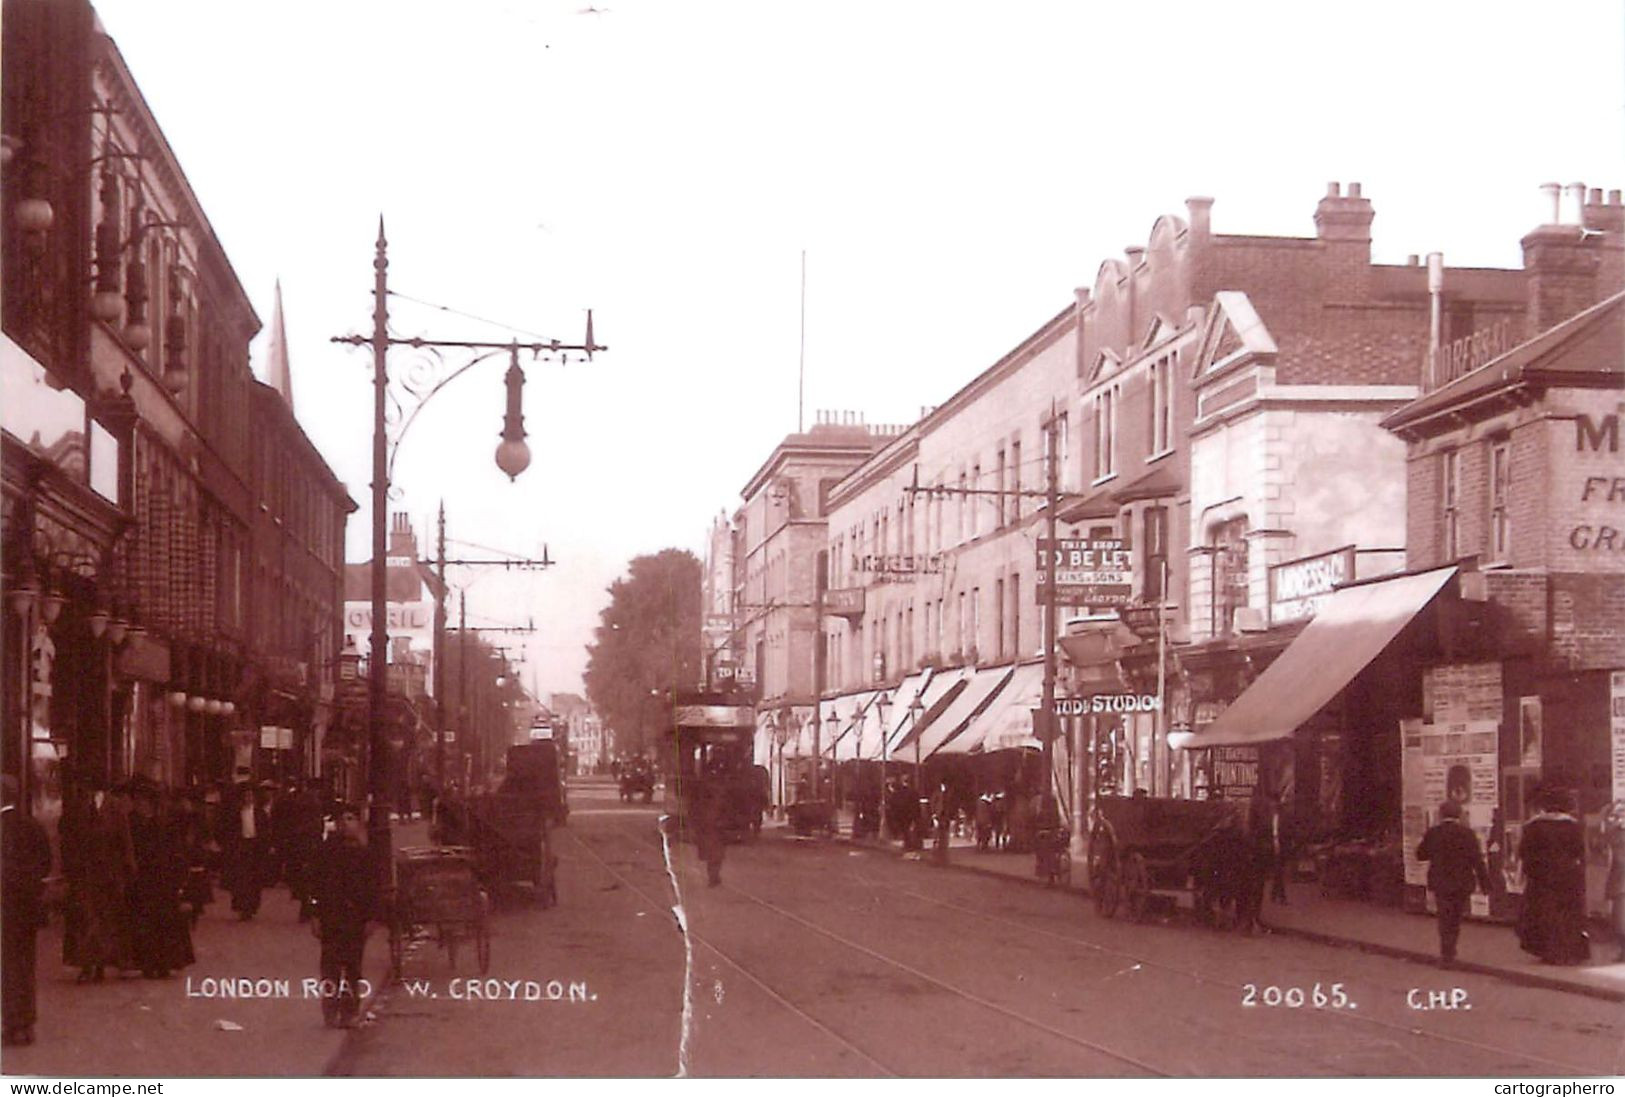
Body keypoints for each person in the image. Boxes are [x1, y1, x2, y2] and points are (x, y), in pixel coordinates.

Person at [311, 804, 379, 1028]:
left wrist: (371, 918)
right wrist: (315, 915)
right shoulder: (325, 852)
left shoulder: (366, 854)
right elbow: (315, 886)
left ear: (358, 824)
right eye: (342, 820)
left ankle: (349, 1011)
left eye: (351, 819)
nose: (346, 824)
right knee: (330, 966)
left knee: (352, 967)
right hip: (331, 915)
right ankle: (330, 1010)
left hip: (355, 918)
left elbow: (372, 889)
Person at [2, 775, 52, 1046]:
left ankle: (12, 1023)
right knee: (24, 966)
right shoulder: (31, 826)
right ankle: (25, 1022)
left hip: (5, 908)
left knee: (8, 967)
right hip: (27, 909)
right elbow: (46, 863)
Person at [127, 779, 194, 979]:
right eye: (138, 800)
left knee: (163, 922)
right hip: (144, 879)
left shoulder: (164, 823)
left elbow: (176, 851)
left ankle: (164, 962)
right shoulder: (132, 822)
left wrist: (179, 878)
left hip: (163, 879)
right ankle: (148, 963)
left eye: (144, 800)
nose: (140, 804)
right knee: (146, 922)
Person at [1518, 788, 1591, 966]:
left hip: (1541, 878)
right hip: (1568, 877)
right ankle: (1569, 952)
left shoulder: (1532, 826)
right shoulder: (1574, 826)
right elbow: (1581, 853)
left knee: (1545, 914)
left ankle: (1550, 952)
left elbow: (1524, 852)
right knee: (1568, 915)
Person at [1415, 799, 1491, 967]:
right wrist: (1485, 884)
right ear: (1459, 814)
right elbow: (1477, 861)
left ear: (1441, 814)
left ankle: (1446, 953)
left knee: (1444, 917)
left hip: (1440, 881)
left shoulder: (1434, 832)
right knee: (1455, 918)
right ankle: (1451, 949)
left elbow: (1420, 854)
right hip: (1462, 883)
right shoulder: (1467, 834)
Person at [221, 781, 269, 920]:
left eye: (250, 796)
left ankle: (252, 906)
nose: (248, 799)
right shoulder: (236, 813)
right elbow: (228, 830)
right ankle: (242, 906)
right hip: (240, 847)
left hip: (255, 847)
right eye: (246, 796)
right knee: (241, 879)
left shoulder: (260, 813)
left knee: (254, 879)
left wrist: (265, 846)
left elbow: (265, 831)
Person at [692, 780, 726, 886]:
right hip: (713, 832)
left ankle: (713, 876)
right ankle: (713, 876)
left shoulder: (704, 805)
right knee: (715, 855)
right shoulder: (712, 805)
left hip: (712, 832)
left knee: (714, 855)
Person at [1603, 801, 1625, 963]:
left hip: (1621, 882)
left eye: (1622, 813)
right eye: (1616, 814)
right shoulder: (1613, 833)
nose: (1618, 817)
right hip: (1619, 882)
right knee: (1619, 922)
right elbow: (1597, 845)